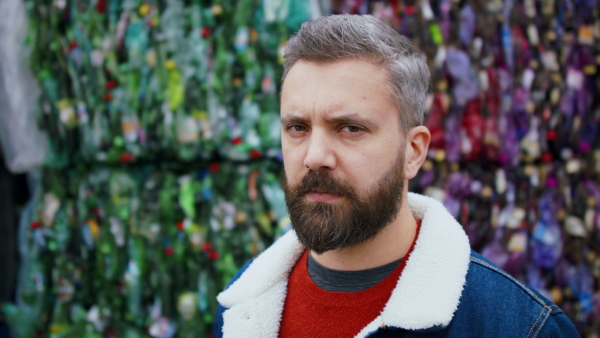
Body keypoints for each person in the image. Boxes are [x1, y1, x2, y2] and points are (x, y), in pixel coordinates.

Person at [214, 14, 579, 338]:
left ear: (413, 152)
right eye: (297, 127)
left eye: (350, 128)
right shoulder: (242, 306)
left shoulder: (520, 326)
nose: (314, 157)